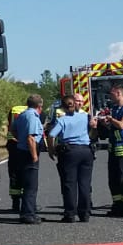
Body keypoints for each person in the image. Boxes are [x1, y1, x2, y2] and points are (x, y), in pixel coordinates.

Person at [47, 91, 94, 222]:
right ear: (75, 105)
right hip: (86, 151)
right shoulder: (85, 117)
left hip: (69, 152)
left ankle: (70, 214)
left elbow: (51, 136)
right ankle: (85, 214)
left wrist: (51, 151)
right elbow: (93, 129)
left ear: (62, 107)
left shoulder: (62, 120)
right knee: (84, 183)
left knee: (69, 184)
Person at [95, 83, 123, 216]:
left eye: (112, 94)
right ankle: (118, 205)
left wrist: (111, 119)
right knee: (113, 180)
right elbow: (113, 129)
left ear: (119, 93)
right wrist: (105, 124)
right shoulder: (115, 108)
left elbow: (122, 125)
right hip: (113, 149)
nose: (110, 97)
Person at [8, 94, 45, 224]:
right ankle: (28, 214)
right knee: (31, 186)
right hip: (29, 153)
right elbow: (31, 138)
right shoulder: (33, 117)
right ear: (39, 106)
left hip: (21, 151)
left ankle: (29, 211)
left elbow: (12, 129)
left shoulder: (23, 115)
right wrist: (34, 156)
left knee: (26, 183)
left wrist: (20, 140)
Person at [6, 103, 27, 210]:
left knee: (14, 174)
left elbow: (9, 126)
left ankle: (15, 202)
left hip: (13, 145)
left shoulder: (14, 110)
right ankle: (26, 202)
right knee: (27, 173)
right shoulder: (30, 112)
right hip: (25, 145)